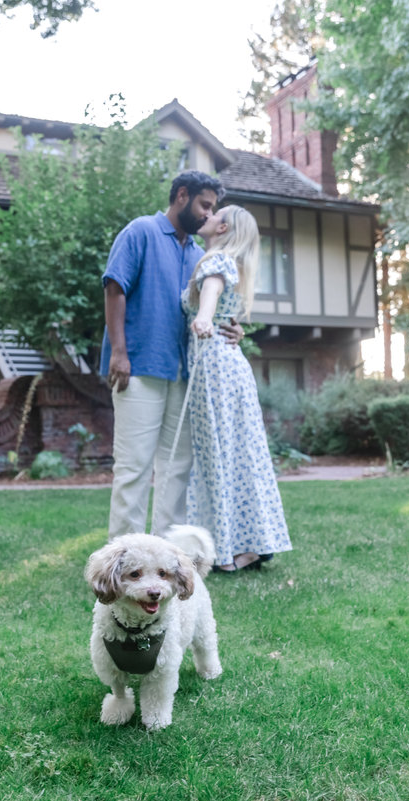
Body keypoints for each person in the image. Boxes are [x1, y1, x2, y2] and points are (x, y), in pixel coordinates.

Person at [101, 170, 238, 539]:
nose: (210, 215)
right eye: (204, 206)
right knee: (134, 468)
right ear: (181, 196)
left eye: (214, 209)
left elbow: (205, 308)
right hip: (139, 367)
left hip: (185, 374)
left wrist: (232, 328)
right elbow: (115, 288)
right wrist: (118, 352)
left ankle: (167, 559)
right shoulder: (140, 231)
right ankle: (124, 559)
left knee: (177, 467)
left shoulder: (198, 254)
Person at [182, 205, 292, 572]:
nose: (207, 216)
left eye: (213, 214)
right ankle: (249, 544)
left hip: (214, 367)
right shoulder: (227, 262)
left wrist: (202, 317)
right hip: (226, 366)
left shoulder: (219, 261)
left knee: (218, 454)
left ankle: (231, 549)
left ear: (223, 226)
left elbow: (210, 294)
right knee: (235, 453)